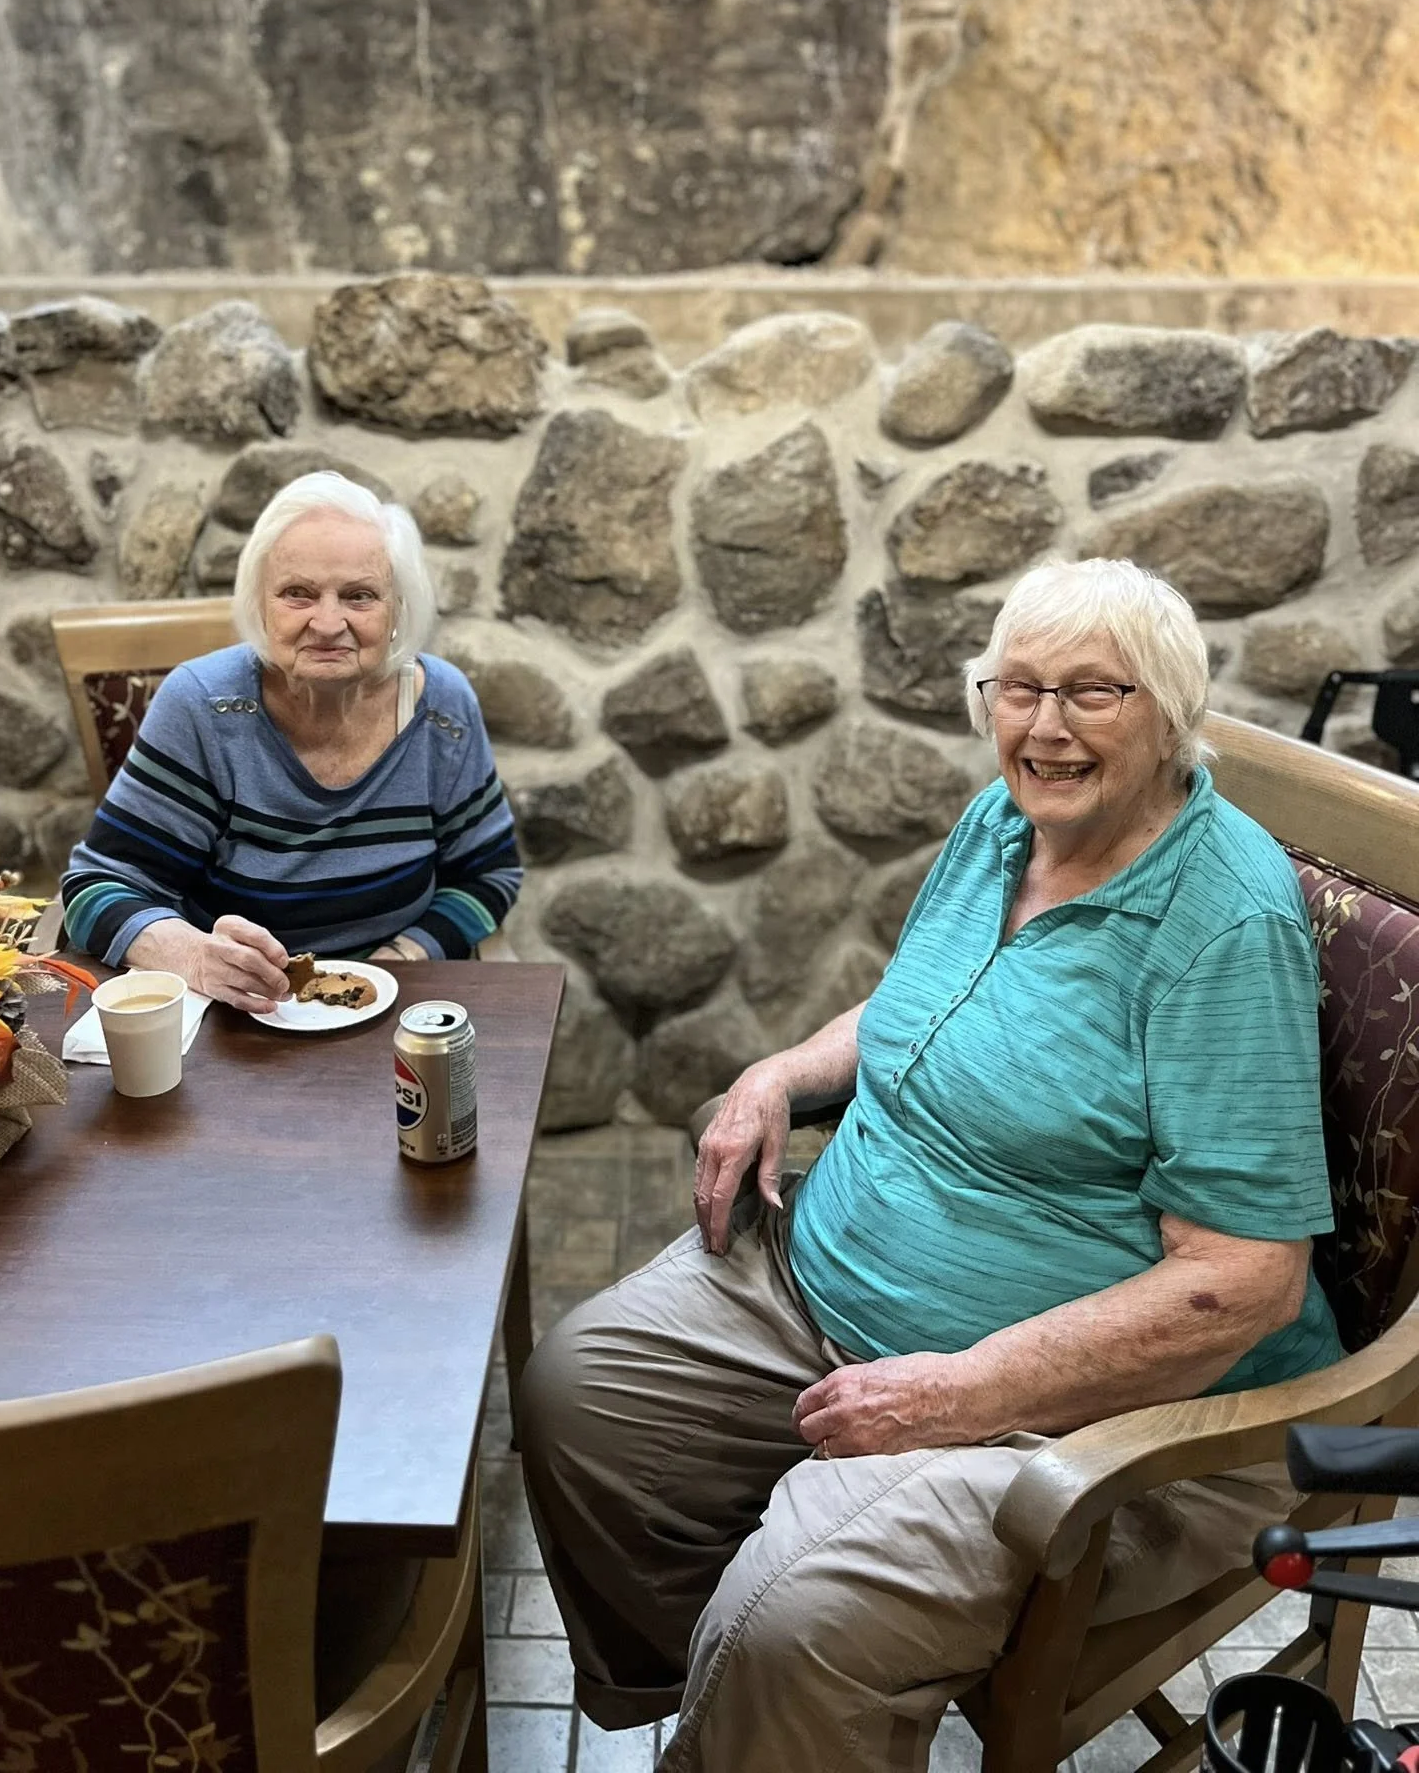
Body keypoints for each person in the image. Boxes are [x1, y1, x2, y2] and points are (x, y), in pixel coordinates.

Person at [517, 557, 1342, 1773]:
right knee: (578, 1395)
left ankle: (775, 1686)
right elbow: (920, 1007)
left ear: (1170, 715)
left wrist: (957, 1393)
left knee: (793, 1619)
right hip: (821, 1283)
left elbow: (1246, 1281)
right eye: (1019, 687)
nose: (1044, 726)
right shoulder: (1006, 819)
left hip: (1061, 1409)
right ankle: (732, 1718)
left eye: (1092, 693)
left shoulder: (1223, 924)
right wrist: (778, 1077)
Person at [61, 471, 521, 1006]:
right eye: (297, 594)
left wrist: (404, 957)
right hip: (238, 1015)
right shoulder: (203, 707)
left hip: (399, 1005)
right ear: (260, 603)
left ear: (399, 607)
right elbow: (96, 890)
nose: (328, 623)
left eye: (360, 596)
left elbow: (489, 873)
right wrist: (195, 957)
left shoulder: (442, 708)